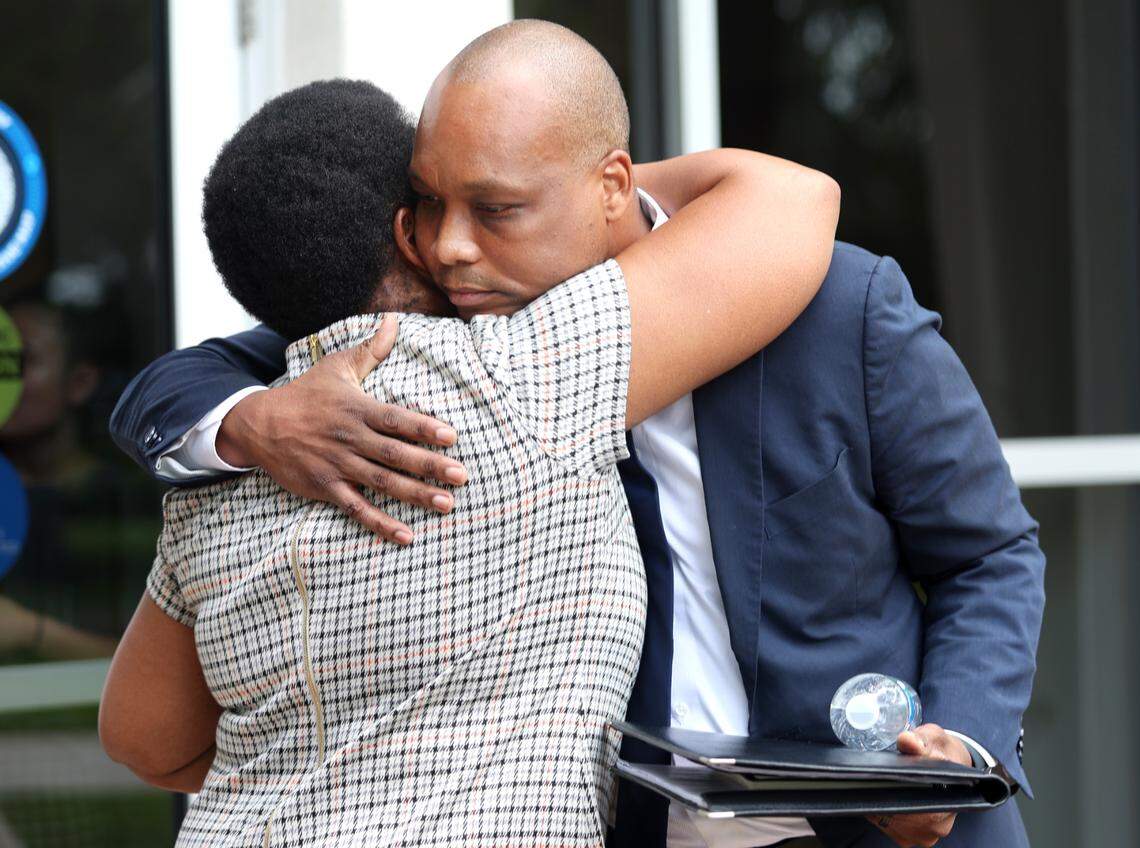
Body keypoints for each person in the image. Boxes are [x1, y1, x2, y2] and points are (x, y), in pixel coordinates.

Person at [110, 21, 1045, 848]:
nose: (448, 247)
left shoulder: (836, 305)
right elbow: (220, 361)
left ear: (610, 184)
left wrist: (955, 751)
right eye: (431, 205)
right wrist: (243, 420)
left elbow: (989, 552)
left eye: (497, 207)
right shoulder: (459, 339)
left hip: (889, 828)